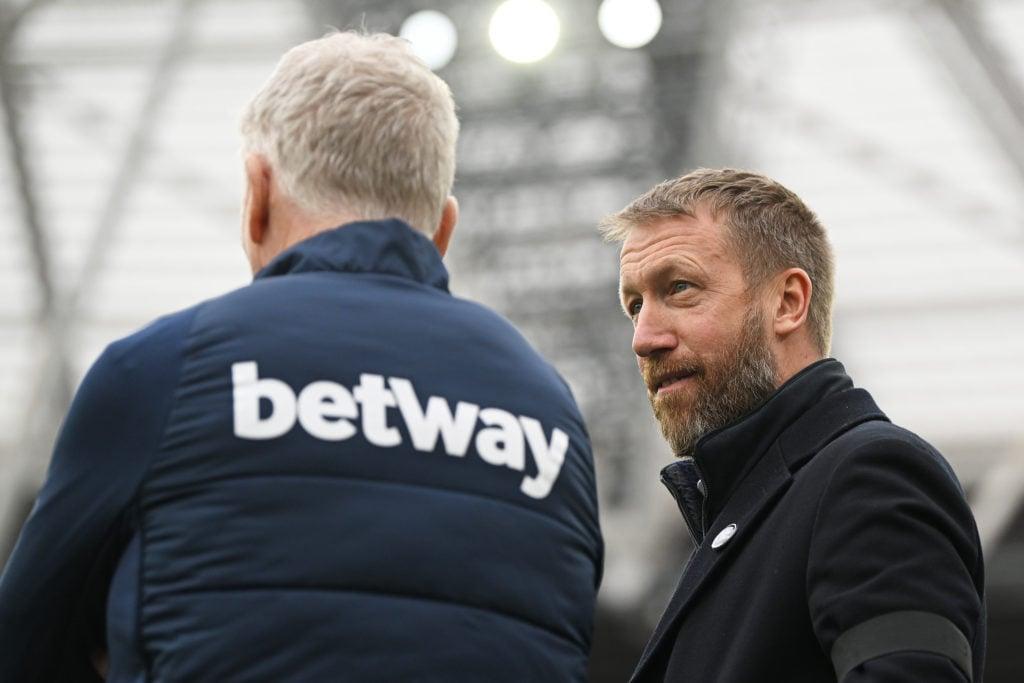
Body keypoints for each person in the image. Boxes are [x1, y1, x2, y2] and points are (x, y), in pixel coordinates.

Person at [0, 31, 602, 682]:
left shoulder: (164, 369)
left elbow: (25, 646)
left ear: (258, 192)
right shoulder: (550, 410)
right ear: (442, 230)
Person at [601, 168, 984, 682]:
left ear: (787, 303)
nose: (644, 338)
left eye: (680, 288)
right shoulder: (753, 511)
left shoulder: (869, 474)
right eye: (634, 306)